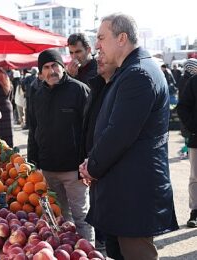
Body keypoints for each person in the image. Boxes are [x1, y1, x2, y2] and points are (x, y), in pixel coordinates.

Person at [79, 13, 179, 259]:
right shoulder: (129, 71)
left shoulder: (139, 74)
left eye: (101, 38)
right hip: (122, 191)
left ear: (121, 38)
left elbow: (119, 133)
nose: (97, 45)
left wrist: (91, 166)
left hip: (133, 195)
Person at [28, 49, 93, 243]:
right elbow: (34, 129)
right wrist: (33, 161)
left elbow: (91, 130)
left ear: (62, 67)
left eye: (54, 65)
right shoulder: (37, 95)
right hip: (48, 169)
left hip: (75, 170)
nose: (51, 71)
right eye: (46, 68)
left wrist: (88, 163)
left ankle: (87, 253)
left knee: (82, 219)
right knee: (59, 219)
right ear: (40, 73)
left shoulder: (79, 90)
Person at [80, 56, 119, 255]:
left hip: (106, 165)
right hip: (94, 162)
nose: (99, 60)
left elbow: (115, 135)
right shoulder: (95, 85)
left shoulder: (119, 87)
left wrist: (92, 165)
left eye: (103, 57)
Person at [176, 70, 197, 228]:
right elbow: (182, 107)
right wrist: (193, 127)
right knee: (196, 177)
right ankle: (195, 212)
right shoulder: (194, 81)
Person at [0, 69, 14, 147]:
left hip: (1, 108)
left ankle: (4, 151)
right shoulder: (9, 84)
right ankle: (10, 150)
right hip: (8, 107)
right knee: (9, 132)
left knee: (2, 134)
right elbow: (11, 97)